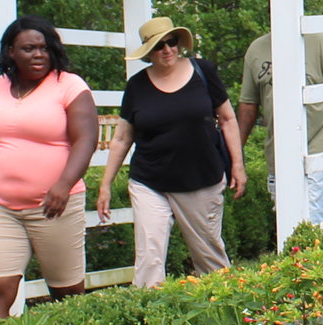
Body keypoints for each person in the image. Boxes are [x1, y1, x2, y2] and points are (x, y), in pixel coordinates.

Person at [0, 17, 99, 318]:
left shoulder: (69, 86)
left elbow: (86, 140)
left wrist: (63, 186)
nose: (38, 54)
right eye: (29, 48)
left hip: (54, 206)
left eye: (44, 48)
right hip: (3, 208)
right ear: (11, 51)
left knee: (66, 295)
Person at [99, 18, 243, 284]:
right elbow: (121, 138)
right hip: (149, 181)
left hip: (201, 179)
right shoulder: (137, 86)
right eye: (158, 46)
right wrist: (105, 184)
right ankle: (150, 319)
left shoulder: (203, 72)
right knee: (149, 258)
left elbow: (228, 119)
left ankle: (228, 315)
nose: (167, 50)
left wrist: (238, 165)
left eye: (171, 42)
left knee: (209, 258)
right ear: (148, 52)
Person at [240, 26, 323, 224]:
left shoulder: (321, 44)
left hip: (318, 146)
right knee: (286, 220)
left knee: (311, 217)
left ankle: (312, 253)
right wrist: (236, 150)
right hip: (278, 153)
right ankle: (310, 254)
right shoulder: (256, 50)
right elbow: (248, 104)